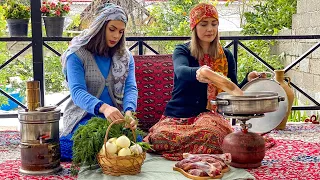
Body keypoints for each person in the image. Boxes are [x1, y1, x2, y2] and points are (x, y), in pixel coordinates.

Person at [144, 3, 264, 161]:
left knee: (211, 134)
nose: (210, 29)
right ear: (194, 27)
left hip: (208, 116)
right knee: (159, 137)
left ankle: (195, 151)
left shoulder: (226, 56)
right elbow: (180, 71)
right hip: (177, 116)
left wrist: (248, 79)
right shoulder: (182, 50)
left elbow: (231, 89)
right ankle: (201, 152)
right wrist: (199, 72)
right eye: (204, 24)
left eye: (214, 24)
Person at [59, 3, 138, 161]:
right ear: (100, 27)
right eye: (112, 29)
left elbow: (130, 88)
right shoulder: (76, 55)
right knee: (80, 145)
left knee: (133, 143)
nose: (116, 36)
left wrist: (129, 111)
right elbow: (77, 92)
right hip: (81, 117)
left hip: (112, 119)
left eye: (121, 32)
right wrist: (103, 107)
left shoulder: (125, 57)